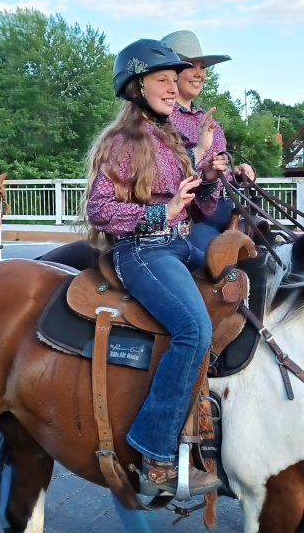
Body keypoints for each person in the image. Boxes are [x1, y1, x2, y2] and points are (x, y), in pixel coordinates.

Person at [85, 39, 227, 496]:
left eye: (174, 80)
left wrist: (205, 180)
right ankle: (155, 452)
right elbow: (99, 209)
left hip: (181, 245)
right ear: (136, 86)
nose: (172, 88)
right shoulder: (122, 142)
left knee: (253, 288)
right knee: (194, 331)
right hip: (143, 252)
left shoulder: (169, 137)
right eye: (163, 80)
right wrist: (156, 215)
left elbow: (201, 209)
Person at [159, 30, 256, 252]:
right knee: (211, 264)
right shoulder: (161, 121)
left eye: (202, 67)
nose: (199, 73)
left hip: (229, 207)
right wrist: (203, 163)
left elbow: (222, 169)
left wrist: (237, 172)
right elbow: (166, 177)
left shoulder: (209, 120)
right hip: (194, 218)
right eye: (191, 65)